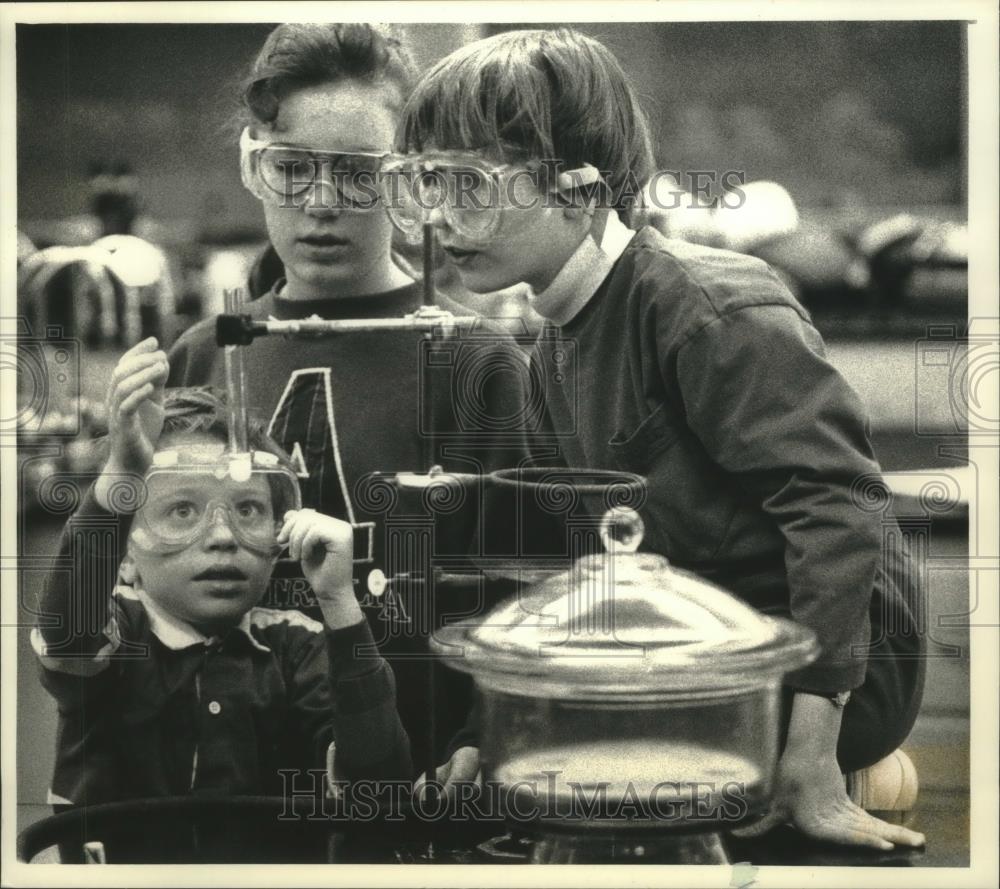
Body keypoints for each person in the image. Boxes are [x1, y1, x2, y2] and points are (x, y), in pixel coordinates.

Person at [394, 27, 926, 850]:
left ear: (577, 192)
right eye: (427, 184)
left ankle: (833, 764)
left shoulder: (707, 306)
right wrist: (476, 732)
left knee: (582, 767)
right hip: (697, 652)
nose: (439, 217)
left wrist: (813, 751)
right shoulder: (553, 342)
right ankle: (779, 775)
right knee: (517, 753)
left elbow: (840, 506)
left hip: (835, 664)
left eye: (469, 185)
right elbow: (573, 573)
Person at [167, 23, 530, 773]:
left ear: (409, 179)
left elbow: (524, 586)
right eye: (293, 169)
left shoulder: (474, 359)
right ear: (254, 168)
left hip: (423, 782)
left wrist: (483, 734)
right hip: (227, 792)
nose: (323, 202)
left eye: (360, 172)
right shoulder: (204, 353)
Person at [33, 340, 411, 808]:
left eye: (248, 509)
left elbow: (377, 787)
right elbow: (66, 634)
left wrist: (339, 603)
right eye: (182, 511)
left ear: (282, 531)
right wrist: (123, 476)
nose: (222, 537)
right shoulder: (116, 636)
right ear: (125, 553)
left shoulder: (298, 648)